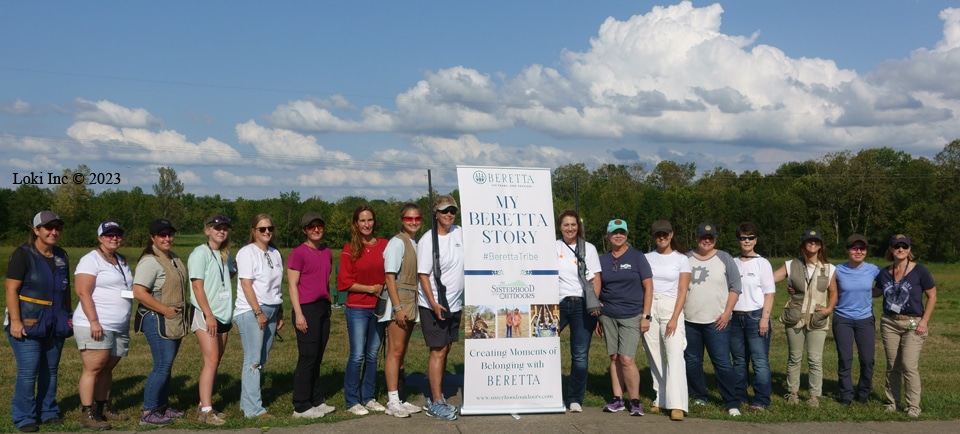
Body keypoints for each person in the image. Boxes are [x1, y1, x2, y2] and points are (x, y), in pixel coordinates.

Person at [5, 211, 73, 433]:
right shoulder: (23, 255)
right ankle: (24, 416)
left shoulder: (62, 255)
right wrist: (15, 321)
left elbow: (66, 289)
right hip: (28, 321)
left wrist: (68, 315)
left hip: (56, 321)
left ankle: (48, 411)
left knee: (51, 370)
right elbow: (11, 289)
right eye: (48, 227)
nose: (54, 232)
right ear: (36, 230)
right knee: (29, 370)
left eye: (57, 228)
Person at [73, 221, 133, 430]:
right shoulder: (90, 260)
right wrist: (94, 321)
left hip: (119, 325)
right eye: (109, 235)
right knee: (94, 367)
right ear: (100, 238)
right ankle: (87, 413)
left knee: (108, 367)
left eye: (117, 234)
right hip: (97, 323)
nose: (114, 238)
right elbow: (82, 291)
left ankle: (103, 406)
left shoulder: (121, 260)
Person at [133, 218, 190, 426]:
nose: (167, 238)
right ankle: (148, 412)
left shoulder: (172, 257)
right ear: (152, 238)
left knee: (167, 365)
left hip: (172, 319)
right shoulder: (150, 261)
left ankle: (162, 406)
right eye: (162, 235)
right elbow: (139, 292)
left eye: (170, 234)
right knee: (162, 365)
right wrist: (165, 309)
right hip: (156, 318)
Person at [773, 229, 837, 408]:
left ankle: (814, 395)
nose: (813, 244)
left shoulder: (829, 268)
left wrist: (828, 310)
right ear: (803, 244)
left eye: (816, 241)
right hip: (795, 318)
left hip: (818, 319)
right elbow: (769, 279)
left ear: (820, 245)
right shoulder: (790, 265)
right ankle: (792, 392)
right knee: (794, 357)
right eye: (809, 241)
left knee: (815, 359)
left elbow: (833, 293)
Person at [875, 234, 937, 418]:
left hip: (913, 322)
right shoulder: (885, 272)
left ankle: (913, 406)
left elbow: (932, 296)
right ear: (891, 249)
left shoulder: (920, 271)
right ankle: (892, 402)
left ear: (909, 250)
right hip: (890, 322)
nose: (900, 249)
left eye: (904, 246)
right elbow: (877, 291)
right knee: (892, 365)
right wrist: (851, 289)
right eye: (897, 246)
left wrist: (924, 321)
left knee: (909, 365)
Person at [684, 222, 741, 415]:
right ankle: (699, 396)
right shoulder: (686, 259)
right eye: (702, 237)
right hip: (690, 320)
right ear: (696, 238)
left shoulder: (724, 258)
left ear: (715, 238)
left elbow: (735, 287)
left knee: (723, 362)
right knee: (692, 361)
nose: (706, 240)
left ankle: (731, 402)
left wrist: (727, 313)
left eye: (710, 237)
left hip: (717, 321)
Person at [598, 219, 653, 417]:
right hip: (608, 315)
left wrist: (646, 316)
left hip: (632, 315)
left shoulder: (638, 257)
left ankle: (635, 400)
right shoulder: (602, 260)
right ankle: (618, 398)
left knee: (627, 359)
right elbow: (598, 286)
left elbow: (649, 287)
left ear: (627, 235)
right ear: (608, 235)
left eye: (622, 232)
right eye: (614, 233)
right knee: (614, 357)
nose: (618, 236)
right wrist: (597, 313)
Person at [417, 194, 464, 421]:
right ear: (435, 213)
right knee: (437, 350)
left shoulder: (459, 233)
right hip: (434, 304)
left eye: (452, 210)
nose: (449, 214)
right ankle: (435, 401)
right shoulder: (428, 239)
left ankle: (440, 395)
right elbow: (423, 275)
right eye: (444, 210)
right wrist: (433, 303)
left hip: (455, 303)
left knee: (446, 348)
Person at [338, 205, 388, 416]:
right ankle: (352, 400)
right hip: (358, 308)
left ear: (374, 222)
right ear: (356, 224)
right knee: (357, 355)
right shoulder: (349, 249)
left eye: (369, 220)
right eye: (362, 221)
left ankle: (368, 397)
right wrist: (371, 289)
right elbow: (345, 282)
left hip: (380, 308)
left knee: (372, 354)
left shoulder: (385, 245)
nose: (366, 224)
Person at [286, 212, 336, 419]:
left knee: (317, 357)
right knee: (307, 357)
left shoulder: (327, 252)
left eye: (319, 226)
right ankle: (301, 405)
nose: (316, 230)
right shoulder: (298, 253)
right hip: (305, 309)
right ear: (304, 230)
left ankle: (316, 400)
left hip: (322, 307)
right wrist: (298, 314)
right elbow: (292, 285)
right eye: (311, 227)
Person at [235, 213, 285, 419]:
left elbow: (276, 285)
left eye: (270, 229)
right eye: (262, 229)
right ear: (253, 231)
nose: (267, 232)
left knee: (261, 359)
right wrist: (258, 312)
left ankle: (246, 403)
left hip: (272, 309)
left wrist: (279, 312)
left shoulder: (275, 253)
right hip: (252, 310)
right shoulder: (247, 252)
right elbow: (246, 284)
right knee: (253, 360)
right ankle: (254, 410)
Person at [187, 215, 235, 425]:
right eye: (217, 228)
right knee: (211, 360)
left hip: (223, 314)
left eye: (225, 228)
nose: (221, 231)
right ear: (207, 231)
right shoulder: (200, 253)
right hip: (206, 314)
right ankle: (206, 412)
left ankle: (204, 403)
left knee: (216, 360)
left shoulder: (225, 254)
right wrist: (208, 315)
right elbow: (197, 286)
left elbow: (228, 276)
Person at [641, 220, 689, 421]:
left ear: (671, 235)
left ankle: (677, 405)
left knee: (675, 354)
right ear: (653, 237)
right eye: (657, 235)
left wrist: (675, 318)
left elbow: (682, 290)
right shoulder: (646, 258)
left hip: (671, 307)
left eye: (665, 234)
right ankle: (661, 399)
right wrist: (644, 314)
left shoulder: (681, 259)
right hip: (650, 307)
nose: (661, 238)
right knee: (654, 354)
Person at [555, 210, 601, 413]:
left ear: (578, 226)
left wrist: (594, 304)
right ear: (560, 227)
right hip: (557, 305)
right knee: (545, 347)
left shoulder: (588, 248)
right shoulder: (553, 247)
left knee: (580, 355)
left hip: (582, 305)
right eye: (566, 225)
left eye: (573, 224)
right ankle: (546, 393)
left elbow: (595, 279)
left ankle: (575, 399)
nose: (570, 228)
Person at [381, 203, 425, 417]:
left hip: (411, 299)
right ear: (402, 220)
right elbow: (390, 277)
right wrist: (397, 307)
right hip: (399, 301)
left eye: (417, 218)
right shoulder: (397, 243)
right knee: (395, 351)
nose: (414, 222)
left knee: (402, 352)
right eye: (409, 219)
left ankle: (400, 396)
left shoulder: (414, 243)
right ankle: (392, 401)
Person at [730, 222, 775, 413]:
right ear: (738, 240)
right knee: (739, 361)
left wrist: (764, 318)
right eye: (743, 238)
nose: (746, 241)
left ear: (755, 240)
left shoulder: (762, 263)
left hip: (755, 316)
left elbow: (769, 294)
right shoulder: (732, 262)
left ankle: (761, 400)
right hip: (734, 318)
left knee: (759, 361)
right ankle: (739, 396)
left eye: (750, 237)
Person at [833, 234, 880, 406]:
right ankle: (845, 395)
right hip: (842, 318)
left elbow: (885, 285)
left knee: (867, 359)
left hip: (865, 319)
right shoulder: (837, 270)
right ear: (847, 250)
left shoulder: (873, 269)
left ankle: (863, 393)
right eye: (854, 248)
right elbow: (823, 287)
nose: (858, 251)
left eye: (862, 248)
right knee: (845, 358)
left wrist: (872, 293)